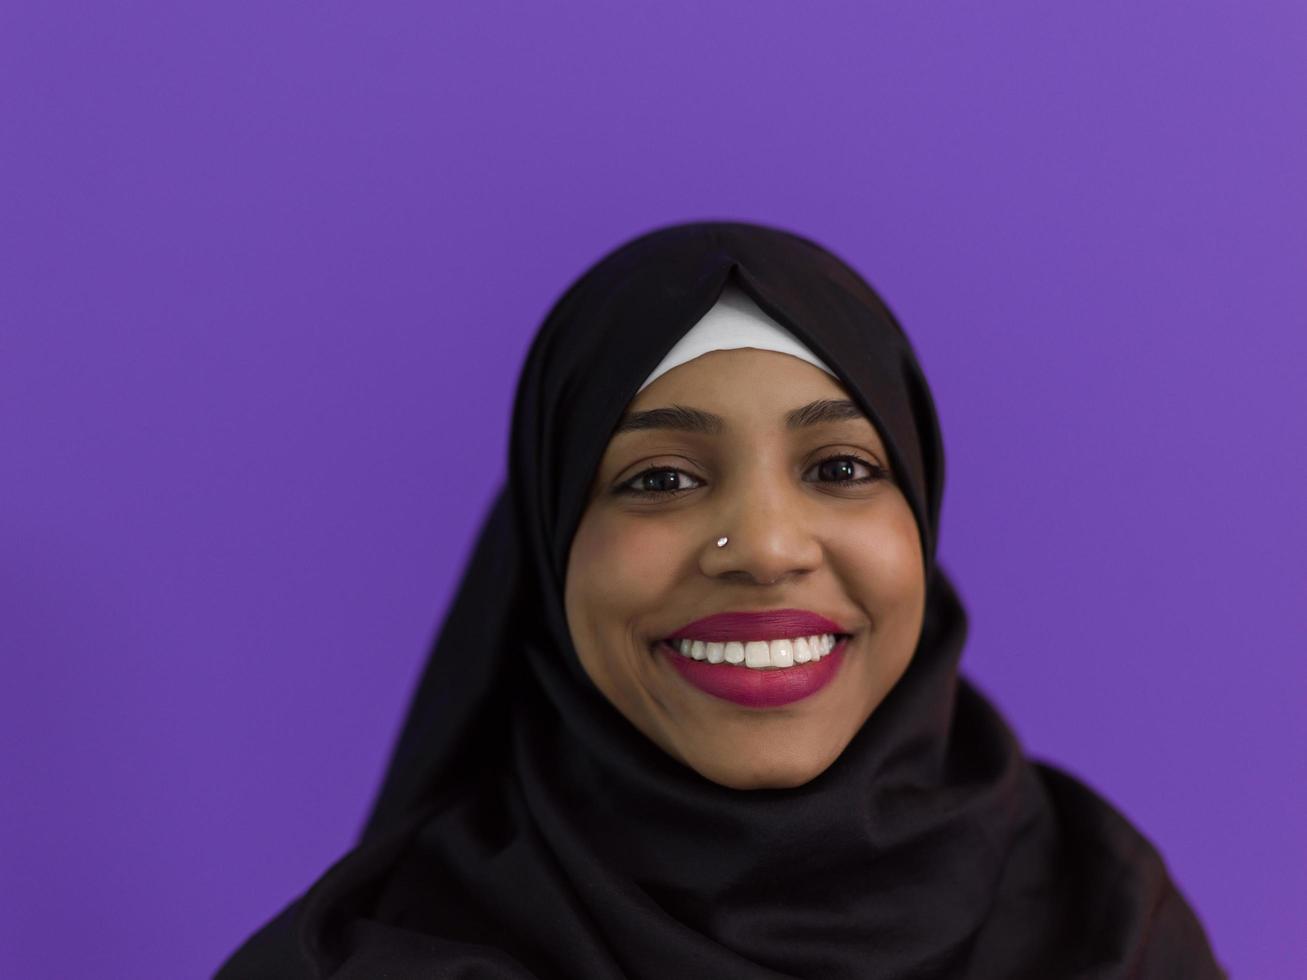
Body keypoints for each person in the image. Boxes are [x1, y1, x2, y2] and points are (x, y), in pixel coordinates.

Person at [216, 221, 1225, 978]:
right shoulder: (368, 960)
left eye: (837, 465)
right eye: (659, 477)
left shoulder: (1103, 923)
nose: (765, 549)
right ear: (550, 539)